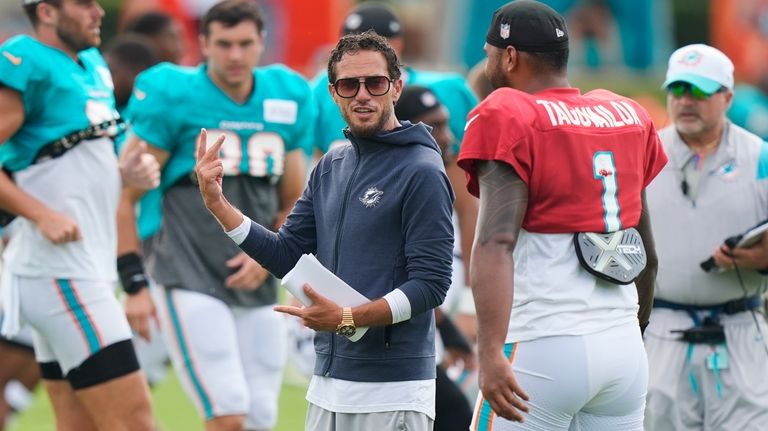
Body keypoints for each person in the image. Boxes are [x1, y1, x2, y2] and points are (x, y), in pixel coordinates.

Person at [196, 30, 454, 431]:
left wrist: (349, 317)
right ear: (334, 92)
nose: (363, 94)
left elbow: (432, 284)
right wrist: (219, 205)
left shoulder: (422, 170)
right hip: (328, 384)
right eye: (350, 85)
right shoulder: (333, 164)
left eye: (375, 83)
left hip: (392, 390)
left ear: (396, 87)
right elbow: (287, 254)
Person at [457, 1, 667, 429]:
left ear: (510, 56)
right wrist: (635, 327)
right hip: (622, 345)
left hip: (544, 343)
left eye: (490, 53)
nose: (488, 62)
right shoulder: (624, 113)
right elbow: (647, 250)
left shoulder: (510, 115)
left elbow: (495, 242)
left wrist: (490, 350)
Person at [118, 1, 315, 430]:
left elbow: (293, 204)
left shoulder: (286, 94)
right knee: (227, 411)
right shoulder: (175, 94)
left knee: (261, 417)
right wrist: (133, 281)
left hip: (256, 281)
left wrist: (269, 254)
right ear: (203, 43)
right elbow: (126, 194)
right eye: (224, 44)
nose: (235, 55)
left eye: (245, 43)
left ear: (262, 42)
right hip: (186, 271)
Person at [0, 0, 160, 430]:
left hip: (79, 268)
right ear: (47, 12)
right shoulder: (26, 59)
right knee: (136, 422)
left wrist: (124, 173)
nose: (98, 12)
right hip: (59, 273)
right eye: (84, 3)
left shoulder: (92, 64)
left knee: (80, 424)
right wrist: (39, 214)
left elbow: (71, 161)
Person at [314, 0, 480, 342]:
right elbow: (318, 188)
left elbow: (463, 190)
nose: (362, 94)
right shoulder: (318, 92)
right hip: (358, 247)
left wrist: (471, 296)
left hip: (430, 240)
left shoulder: (441, 93)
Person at [643, 43, 768, 430]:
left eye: (699, 91)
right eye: (678, 90)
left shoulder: (760, 157)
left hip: (740, 329)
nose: (686, 101)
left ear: (727, 97)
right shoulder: (643, 154)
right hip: (662, 329)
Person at [395, 85, 475, 431]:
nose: (446, 136)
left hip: (425, 329)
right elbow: (401, 274)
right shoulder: (401, 179)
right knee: (454, 412)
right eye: (433, 127)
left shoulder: (437, 175)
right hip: (396, 340)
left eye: (444, 124)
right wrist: (449, 328)